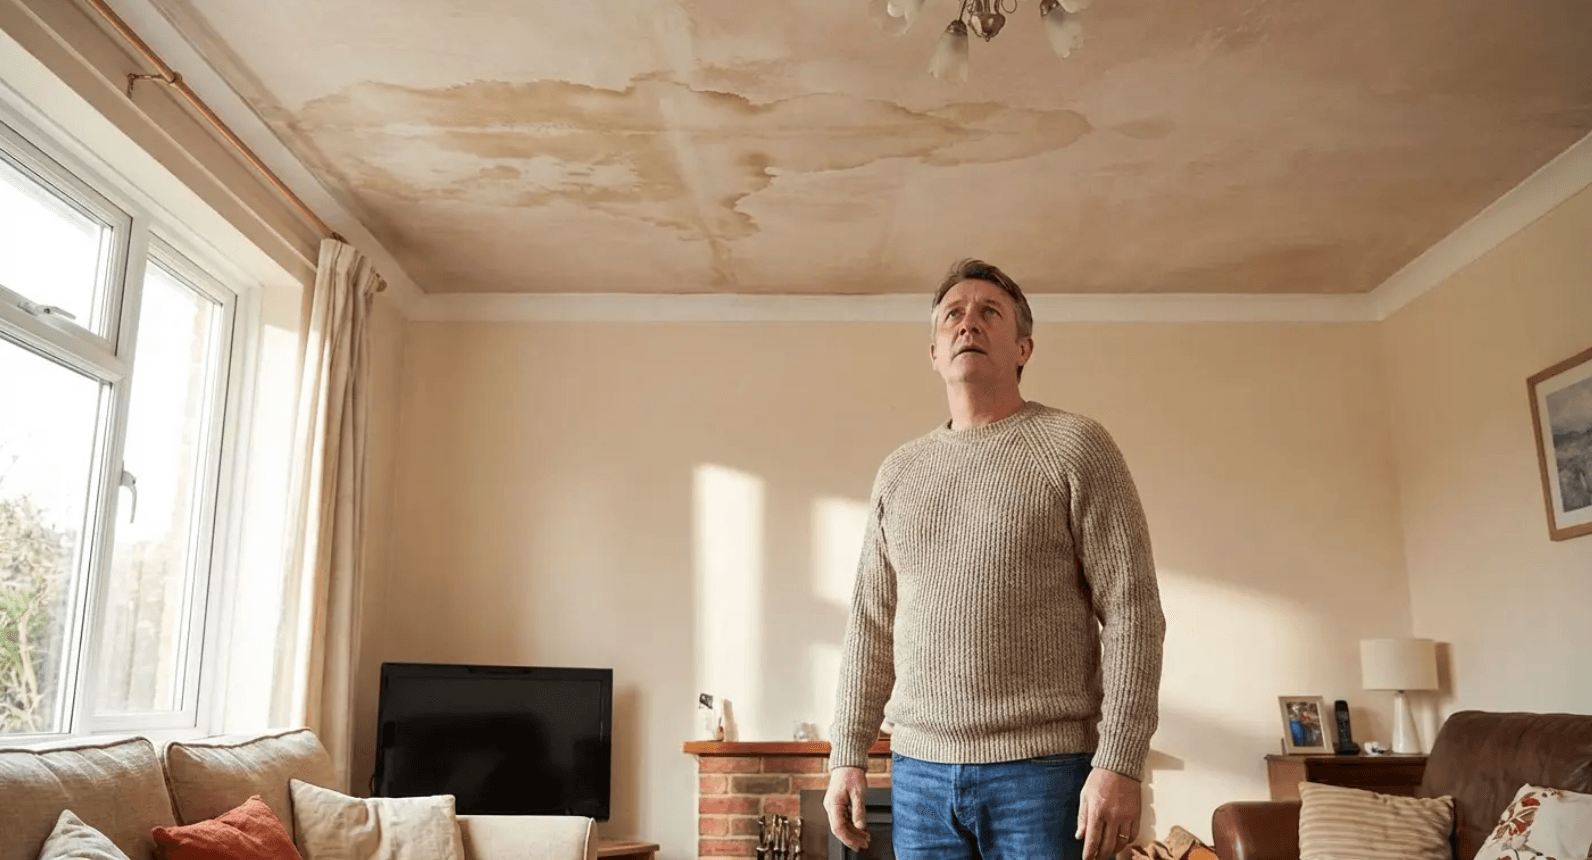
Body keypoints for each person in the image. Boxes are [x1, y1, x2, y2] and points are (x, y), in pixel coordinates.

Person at [824, 259, 1166, 860]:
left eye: (989, 313)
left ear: (1023, 347)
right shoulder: (899, 471)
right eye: (953, 314)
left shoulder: (1076, 446)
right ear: (933, 350)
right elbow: (870, 625)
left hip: (1044, 775)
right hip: (920, 776)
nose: (968, 324)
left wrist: (1120, 760)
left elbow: (1134, 611)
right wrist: (847, 756)